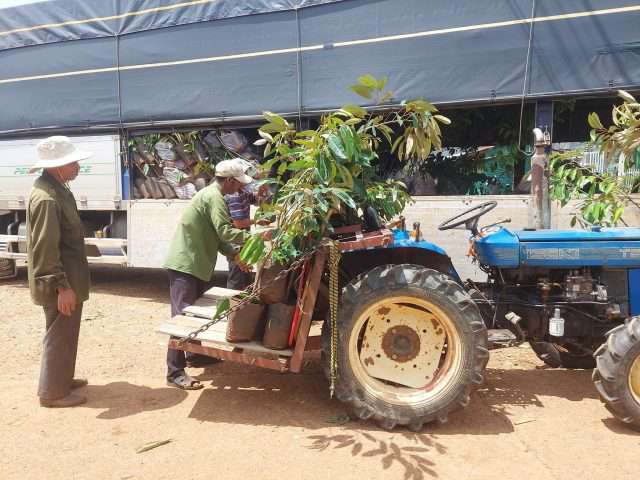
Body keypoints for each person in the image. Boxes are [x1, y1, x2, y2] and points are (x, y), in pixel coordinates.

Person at [163, 158, 253, 389]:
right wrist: (257, 236)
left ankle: (193, 354)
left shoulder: (213, 195)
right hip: (187, 264)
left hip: (196, 263)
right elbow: (225, 232)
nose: (241, 187)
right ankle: (174, 372)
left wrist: (235, 256)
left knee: (193, 313)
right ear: (230, 181)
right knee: (181, 318)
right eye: (239, 183)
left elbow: (217, 237)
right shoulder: (215, 197)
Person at [27, 136, 92, 408]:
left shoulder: (58, 188)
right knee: (58, 333)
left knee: (65, 332)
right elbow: (45, 250)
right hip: (60, 282)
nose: (77, 166)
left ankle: (61, 378)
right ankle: (53, 392)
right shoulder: (47, 198)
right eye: (73, 162)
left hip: (70, 278)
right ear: (57, 166)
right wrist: (61, 287)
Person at [224, 160, 270, 290]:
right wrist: (256, 221)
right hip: (235, 243)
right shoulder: (233, 195)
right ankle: (232, 307)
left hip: (243, 240)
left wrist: (263, 185)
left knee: (245, 274)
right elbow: (238, 224)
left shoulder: (242, 192)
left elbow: (258, 200)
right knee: (237, 278)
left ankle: (243, 306)